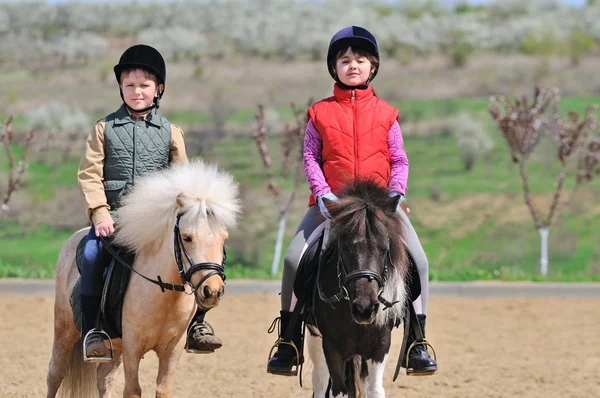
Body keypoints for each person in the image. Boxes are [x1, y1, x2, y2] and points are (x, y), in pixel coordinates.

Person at [266, 26, 438, 376]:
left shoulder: (388, 114)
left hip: (381, 207)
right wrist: (325, 194)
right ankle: (288, 341)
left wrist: (396, 193)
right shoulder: (319, 113)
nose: (353, 65)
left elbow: (400, 160)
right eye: (345, 60)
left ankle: (417, 341)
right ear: (334, 68)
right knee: (292, 260)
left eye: (360, 60)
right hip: (332, 207)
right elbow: (311, 157)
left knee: (419, 261)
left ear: (373, 67)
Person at [77, 44, 221, 361]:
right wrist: (100, 214)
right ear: (120, 88)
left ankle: (198, 324)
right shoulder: (103, 128)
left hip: (157, 225)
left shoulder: (171, 132)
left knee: (204, 253)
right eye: (130, 85)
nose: (137, 91)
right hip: (112, 220)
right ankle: (93, 331)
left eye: (144, 85)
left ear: (159, 89)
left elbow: (184, 181)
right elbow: (89, 174)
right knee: (90, 256)